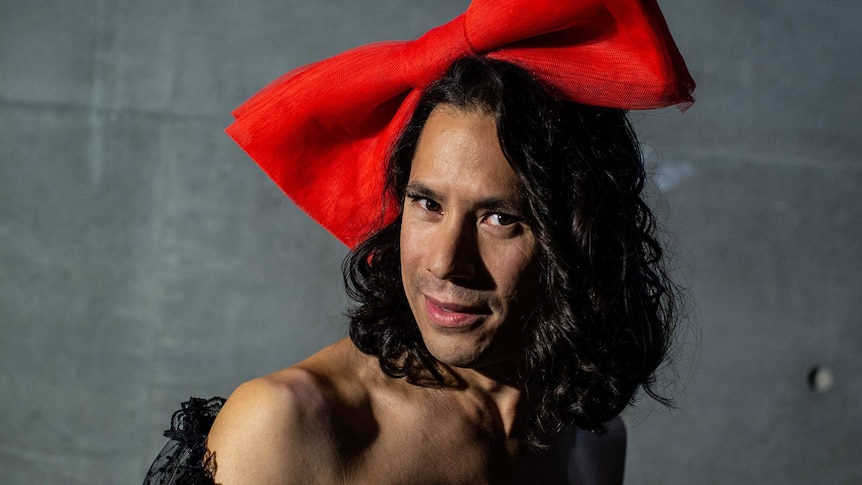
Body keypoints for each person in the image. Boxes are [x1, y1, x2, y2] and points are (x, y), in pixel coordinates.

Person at [144, 1, 694, 484]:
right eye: (427, 204)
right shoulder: (290, 427)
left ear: (580, 237)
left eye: (499, 218)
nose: (445, 262)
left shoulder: (591, 442)